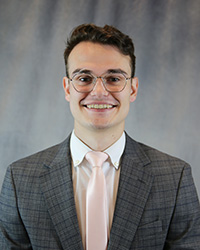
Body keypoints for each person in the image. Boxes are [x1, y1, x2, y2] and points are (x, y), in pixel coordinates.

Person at [0, 23, 200, 250]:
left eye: (114, 79)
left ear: (132, 89)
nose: (99, 92)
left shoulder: (175, 178)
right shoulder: (20, 180)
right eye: (84, 78)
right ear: (67, 88)